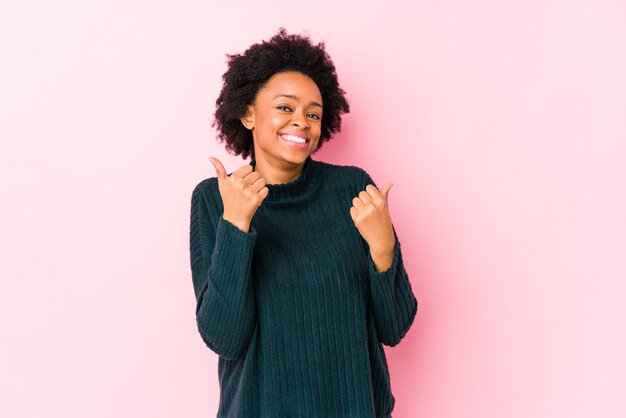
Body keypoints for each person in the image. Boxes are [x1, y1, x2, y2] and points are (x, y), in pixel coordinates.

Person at [189, 28, 417, 418]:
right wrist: (237, 225)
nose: (302, 122)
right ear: (247, 113)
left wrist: (383, 248)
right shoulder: (216, 199)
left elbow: (394, 327)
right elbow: (224, 336)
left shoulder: (353, 189)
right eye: (285, 107)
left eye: (313, 113)